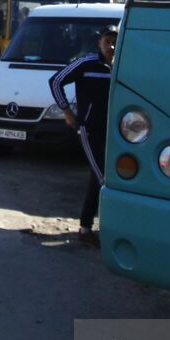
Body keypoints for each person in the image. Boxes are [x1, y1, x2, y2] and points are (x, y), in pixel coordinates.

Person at [49, 24, 116, 248]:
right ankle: (107, 230)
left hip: (115, 132)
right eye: (107, 41)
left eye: (115, 41)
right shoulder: (86, 64)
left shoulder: (122, 65)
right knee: (104, 179)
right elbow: (56, 81)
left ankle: (85, 228)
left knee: (97, 179)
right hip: (90, 129)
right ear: (99, 42)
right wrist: (67, 112)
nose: (112, 46)